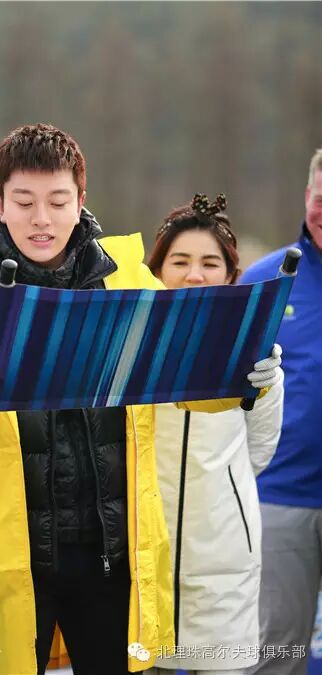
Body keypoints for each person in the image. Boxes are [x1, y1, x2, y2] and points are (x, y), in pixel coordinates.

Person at [0, 125, 281, 675]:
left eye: (57, 202)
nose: (42, 219)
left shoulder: (128, 281)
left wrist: (244, 374)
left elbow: (187, 380)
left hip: (113, 553)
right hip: (10, 556)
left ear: (80, 201)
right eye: (24, 202)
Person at [146, 193, 284, 675]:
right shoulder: (129, 351)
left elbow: (259, 450)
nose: (194, 275)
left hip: (224, 562)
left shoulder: (258, 359)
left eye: (209, 263)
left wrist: (226, 494)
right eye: (180, 261)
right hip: (143, 561)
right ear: (157, 270)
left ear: (230, 276)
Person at [241, 149, 322, 675]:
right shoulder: (268, 278)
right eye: (321, 199)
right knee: (277, 653)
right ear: (307, 196)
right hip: (280, 497)